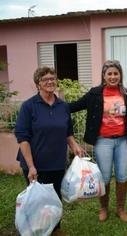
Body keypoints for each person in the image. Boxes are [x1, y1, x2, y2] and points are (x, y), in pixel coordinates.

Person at [69, 60, 127, 223]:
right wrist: (53, 105)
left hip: (122, 141)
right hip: (103, 142)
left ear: (120, 75)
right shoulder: (94, 93)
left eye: (116, 73)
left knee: (122, 175)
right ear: (104, 76)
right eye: (110, 74)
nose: (113, 77)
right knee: (105, 177)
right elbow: (75, 106)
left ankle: (121, 208)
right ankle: (104, 208)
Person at [15, 66, 83, 236]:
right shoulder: (29, 106)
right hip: (36, 163)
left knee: (55, 199)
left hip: (58, 162)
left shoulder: (63, 106)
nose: (50, 82)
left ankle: (55, 229)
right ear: (38, 84)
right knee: (39, 200)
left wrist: (74, 146)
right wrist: (31, 166)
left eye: (53, 78)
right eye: (45, 79)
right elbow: (22, 137)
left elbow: (68, 132)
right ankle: (37, 230)